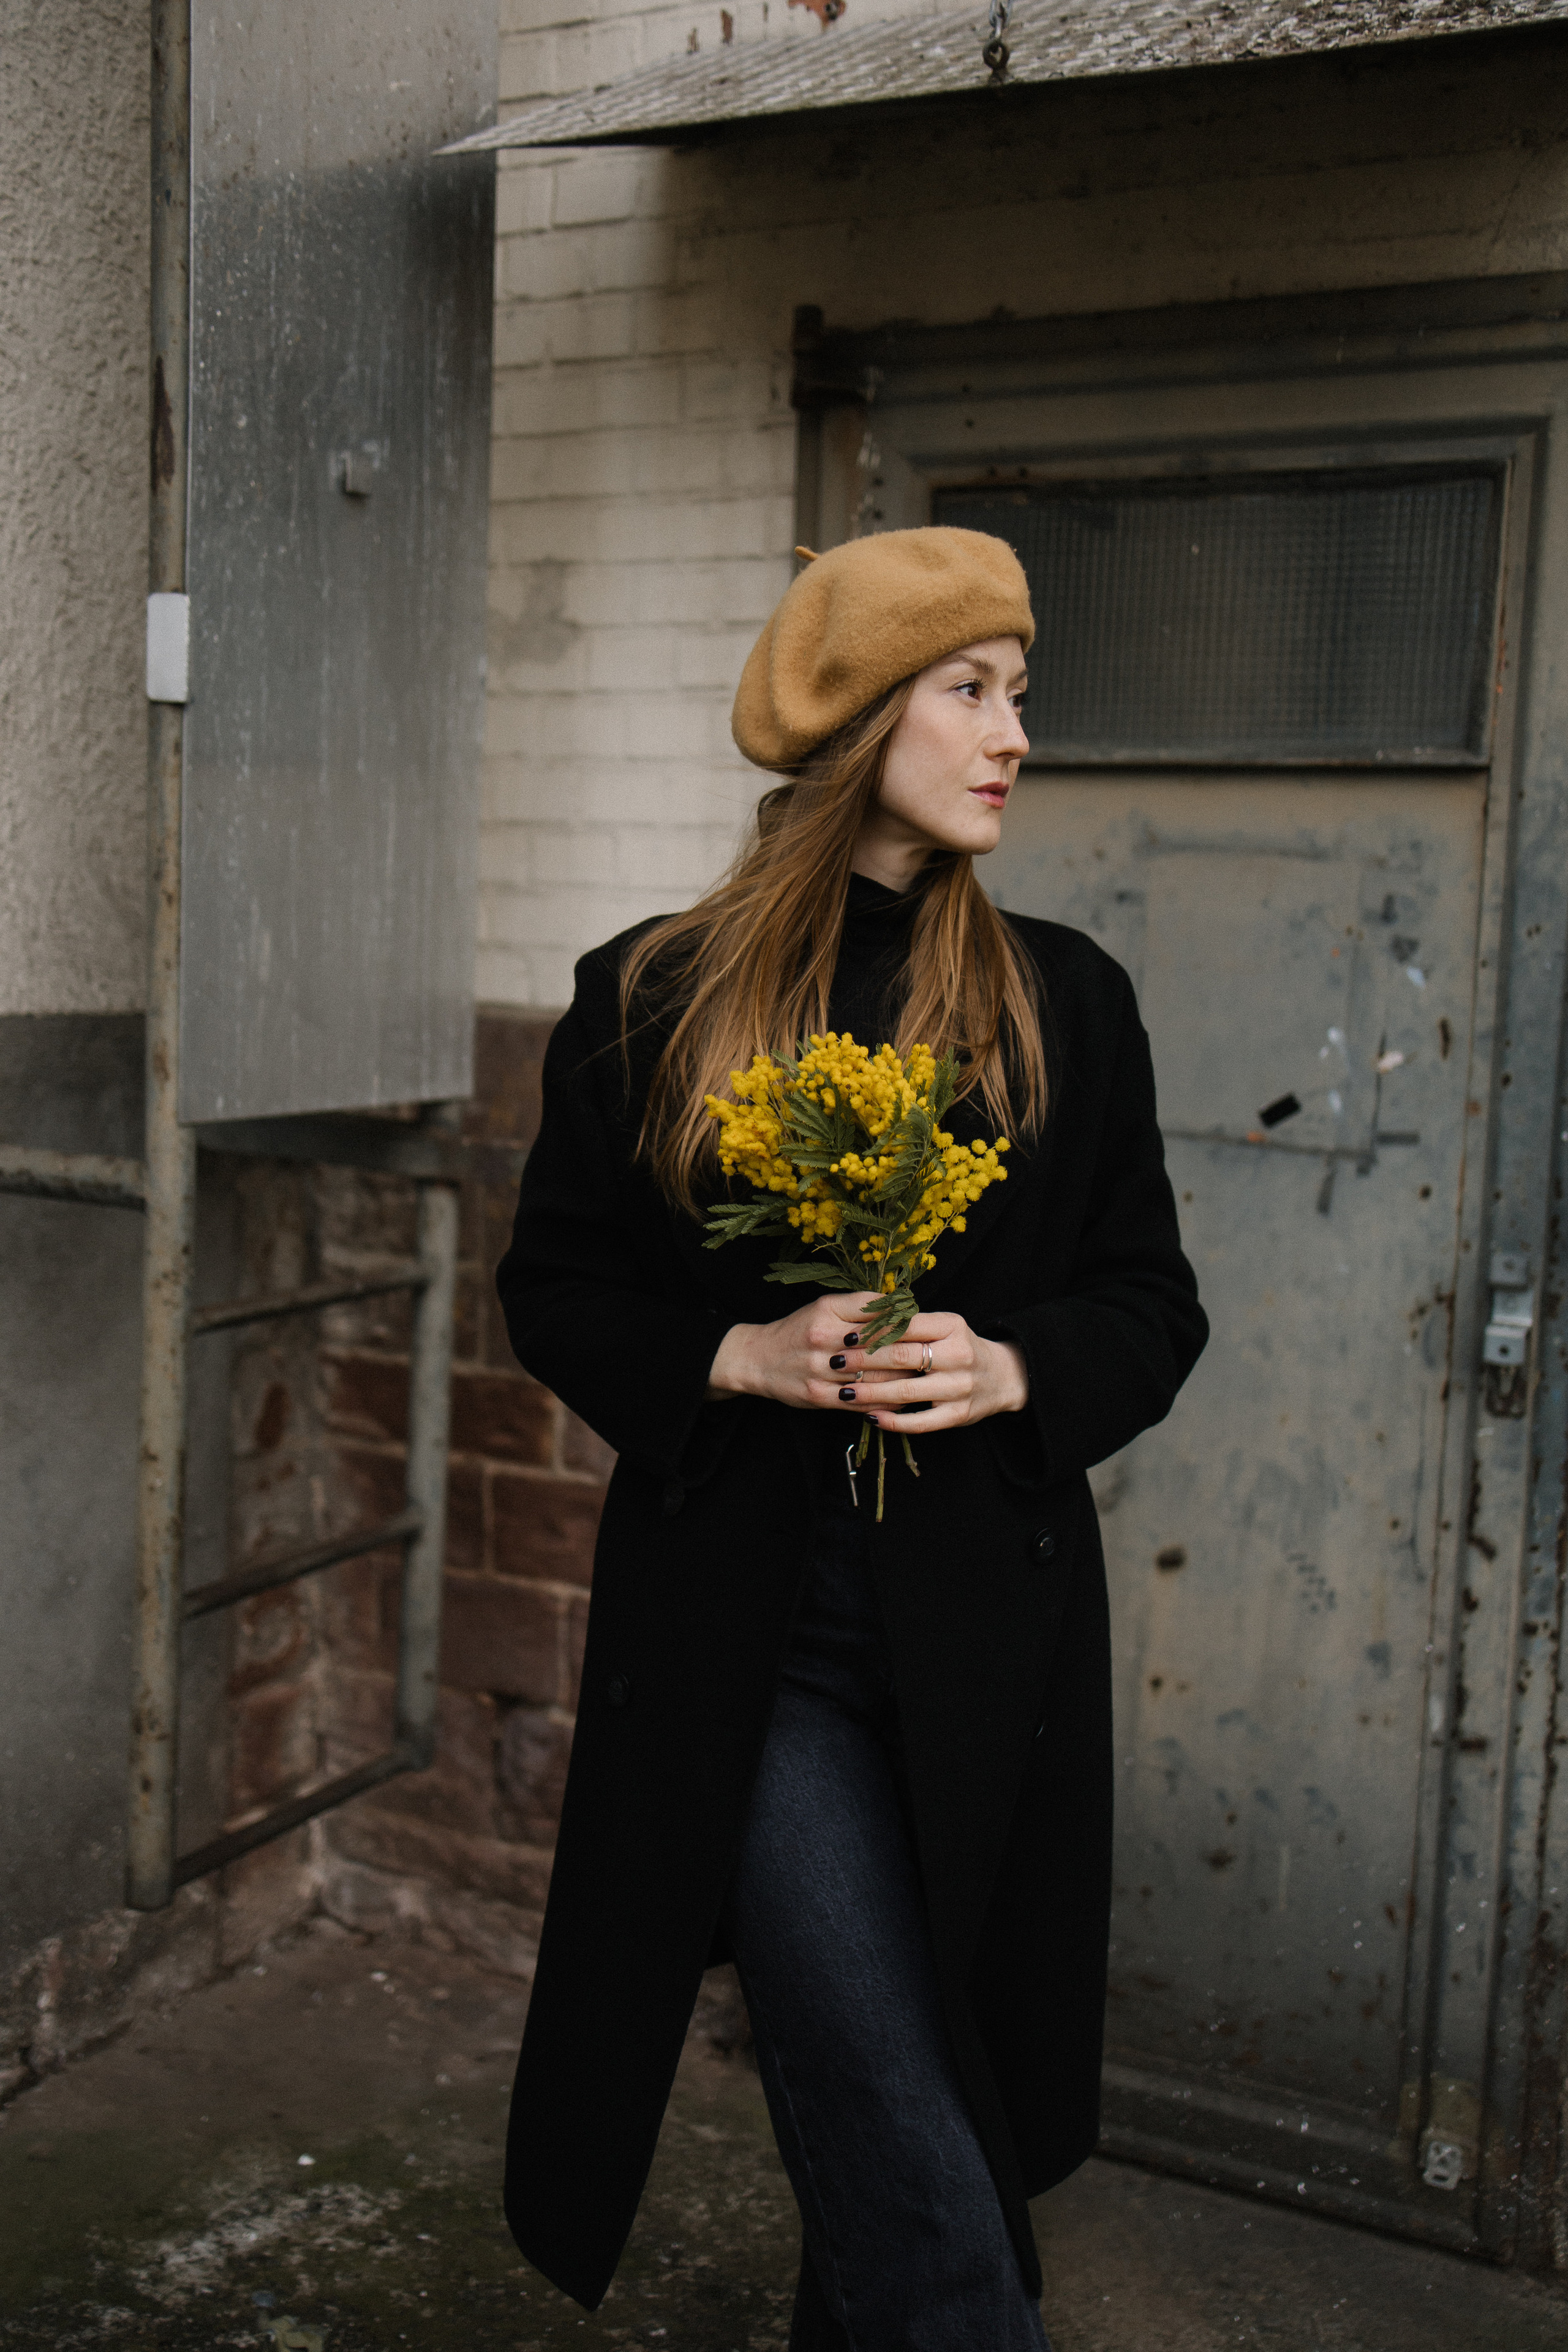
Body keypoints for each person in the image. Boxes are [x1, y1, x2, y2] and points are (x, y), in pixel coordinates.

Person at [496, 527, 1208, 2350]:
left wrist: (1016, 1370)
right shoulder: (651, 999)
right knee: (919, 2171)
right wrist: (733, 1354)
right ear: (858, 722)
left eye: (1018, 696)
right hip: (758, 1660)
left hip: (990, 1660)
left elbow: (1153, 1303)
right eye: (970, 691)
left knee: (923, 2121)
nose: (1014, 736)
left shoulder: (1066, 1002)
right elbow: (556, 1290)